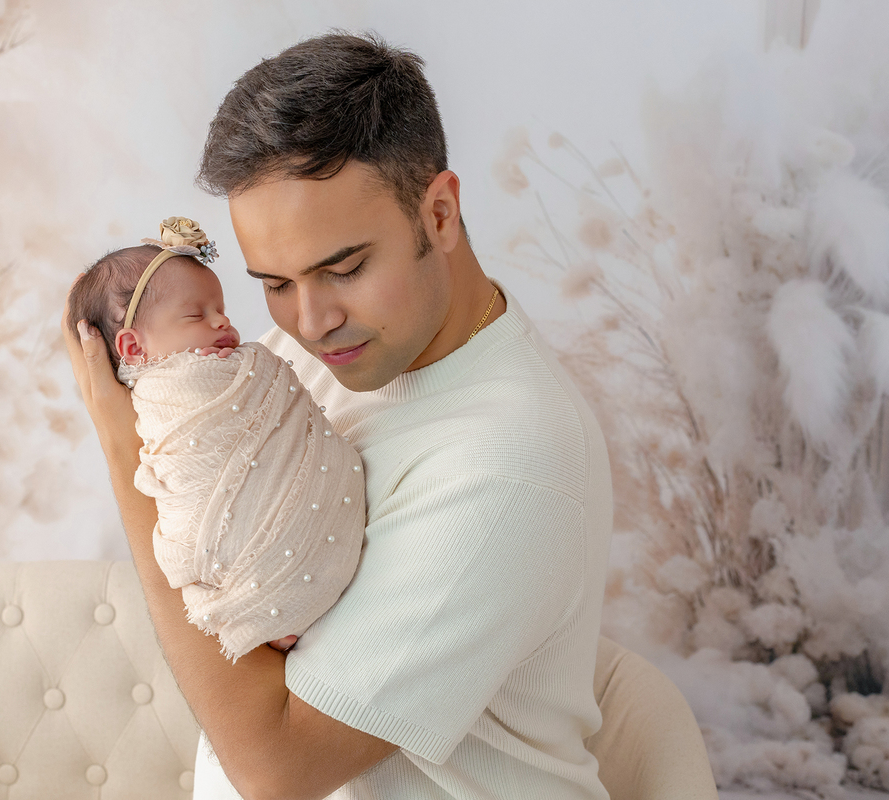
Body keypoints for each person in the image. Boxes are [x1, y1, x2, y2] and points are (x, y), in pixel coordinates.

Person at [64, 32, 613, 799]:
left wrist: (129, 463)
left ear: (442, 213)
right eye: (274, 283)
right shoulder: (306, 356)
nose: (309, 320)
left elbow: (278, 769)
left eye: (344, 268)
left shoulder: (509, 462)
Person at [64, 216, 365, 662]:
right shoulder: (164, 393)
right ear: (133, 348)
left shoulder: (246, 365)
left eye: (220, 308)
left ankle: (275, 591)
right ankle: (257, 600)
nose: (222, 321)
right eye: (196, 314)